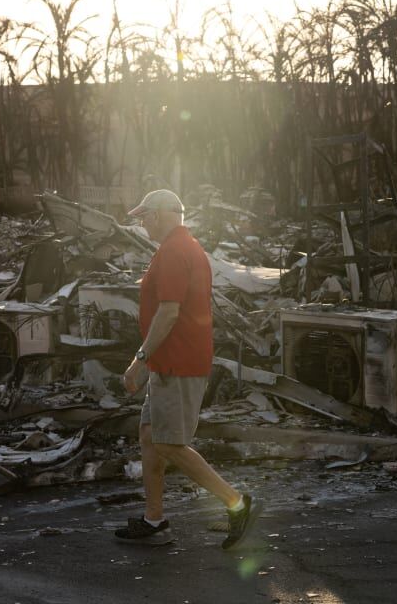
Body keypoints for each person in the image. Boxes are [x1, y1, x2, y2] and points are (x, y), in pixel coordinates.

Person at [113, 189, 262, 549]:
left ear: (164, 214)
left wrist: (139, 361)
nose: (141, 222)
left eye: (145, 215)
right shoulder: (179, 248)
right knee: (150, 434)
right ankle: (154, 520)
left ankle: (237, 503)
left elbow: (169, 311)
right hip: (171, 360)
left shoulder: (176, 251)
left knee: (169, 442)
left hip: (176, 364)